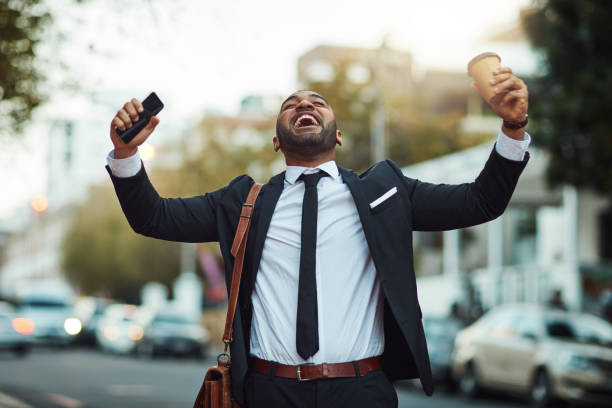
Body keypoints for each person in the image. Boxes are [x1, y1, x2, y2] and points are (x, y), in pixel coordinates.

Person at [106, 66, 530, 408]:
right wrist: (126, 155)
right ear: (276, 139)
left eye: (317, 103)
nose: (305, 105)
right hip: (270, 392)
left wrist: (512, 128)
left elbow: (481, 202)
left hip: (361, 391)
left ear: (338, 135)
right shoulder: (241, 204)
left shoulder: (386, 193)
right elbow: (154, 218)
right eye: (292, 105)